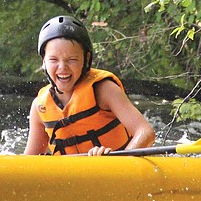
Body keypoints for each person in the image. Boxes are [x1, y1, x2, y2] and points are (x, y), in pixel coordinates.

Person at [23, 15, 155, 156]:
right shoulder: (39, 107)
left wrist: (120, 162)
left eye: (72, 59)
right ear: (44, 61)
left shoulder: (104, 90)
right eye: (53, 59)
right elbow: (28, 163)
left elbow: (145, 132)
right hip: (71, 177)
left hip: (116, 170)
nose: (62, 67)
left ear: (86, 59)